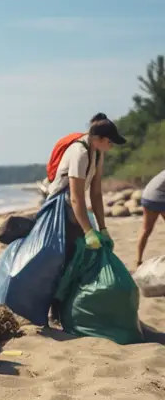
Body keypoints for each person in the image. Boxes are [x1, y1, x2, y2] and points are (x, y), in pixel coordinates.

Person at [47, 112, 126, 322]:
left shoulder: (98, 153)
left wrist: (102, 227)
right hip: (60, 205)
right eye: (110, 141)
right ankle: (55, 310)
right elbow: (75, 197)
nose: (112, 145)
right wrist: (88, 230)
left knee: (82, 254)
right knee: (68, 255)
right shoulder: (79, 152)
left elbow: (96, 192)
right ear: (98, 138)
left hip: (75, 204)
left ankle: (71, 306)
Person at [136, 169, 165, 265]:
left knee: (146, 230)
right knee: (146, 229)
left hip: (147, 195)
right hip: (158, 197)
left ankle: (138, 261)